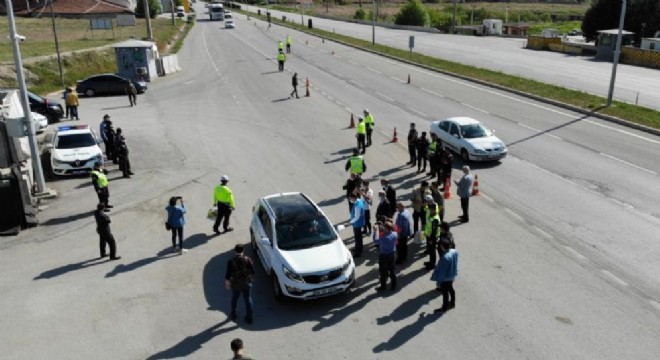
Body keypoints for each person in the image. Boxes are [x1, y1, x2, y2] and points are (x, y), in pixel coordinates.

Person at [225, 244, 255, 324]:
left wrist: (227, 284)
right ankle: (249, 317)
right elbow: (252, 271)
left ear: (235, 251)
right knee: (248, 299)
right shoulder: (248, 259)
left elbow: (228, 275)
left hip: (235, 284)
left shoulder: (231, 261)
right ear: (243, 251)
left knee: (234, 298)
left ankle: (233, 314)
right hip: (246, 282)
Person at [431, 240, 458, 313]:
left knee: (445, 293)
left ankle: (444, 307)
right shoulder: (454, 251)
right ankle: (452, 303)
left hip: (446, 278)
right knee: (451, 289)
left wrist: (439, 282)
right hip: (452, 275)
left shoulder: (444, 258)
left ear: (442, 246)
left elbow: (442, 272)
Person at [373, 221, 397, 291]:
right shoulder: (395, 234)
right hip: (392, 254)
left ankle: (383, 286)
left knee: (383, 271)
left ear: (386, 228)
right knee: (392, 270)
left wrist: (375, 231)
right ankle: (394, 284)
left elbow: (376, 241)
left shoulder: (383, 238)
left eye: (384, 227)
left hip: (384, 256)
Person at [423, 202, 441, 270]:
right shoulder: (431, 215)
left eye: (430, 209)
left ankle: (432, 264)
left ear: (434, 209)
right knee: (430, 250)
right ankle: (431, 261)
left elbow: (434, 231)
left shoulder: (435, 219)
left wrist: (431, 239)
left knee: (432, 251)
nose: (429, 210)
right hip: (429, 235)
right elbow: (428, 225)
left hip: (432, 237)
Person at [348, 192, 366, 257]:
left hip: (357, 224)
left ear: (353, 198)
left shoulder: (357, 206)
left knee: (357, 238)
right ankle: (359, 249)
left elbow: (357, 217)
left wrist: (351, 222)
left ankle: (358, 252)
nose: (350, 200)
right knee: (359, 237)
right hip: (359, 223)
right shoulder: (359, 201)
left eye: (350, 198)